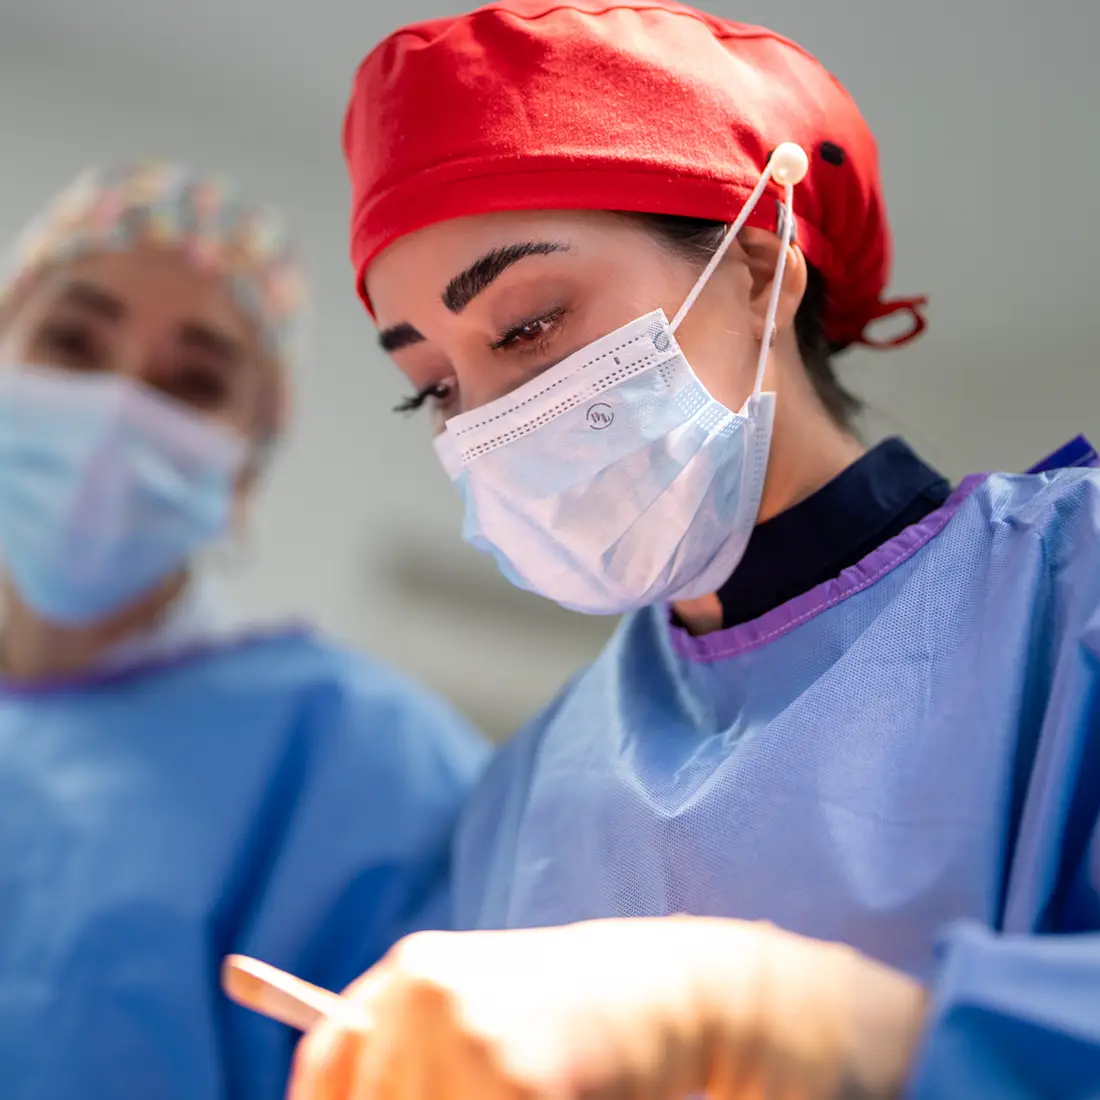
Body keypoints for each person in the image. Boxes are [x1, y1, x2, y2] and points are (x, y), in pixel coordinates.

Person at [287, 2, 1100, 1097]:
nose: (485, 419)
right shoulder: (531, 787)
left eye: (529, 326)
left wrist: (794, 1025)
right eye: (432, 386)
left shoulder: (1064, 597)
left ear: (759, 267)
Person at [0, 161, 488, 1099]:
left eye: (191, 383)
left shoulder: (358, 759)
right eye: (71, 342)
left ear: (243, 472)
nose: (117, 409)